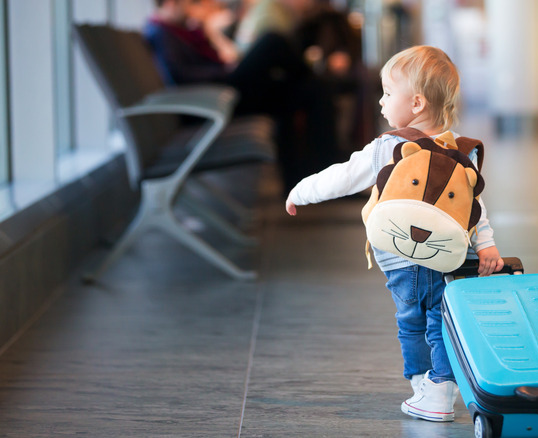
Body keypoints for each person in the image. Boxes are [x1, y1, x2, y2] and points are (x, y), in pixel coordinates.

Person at [284, 46, 504, 422]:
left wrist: (300, 190)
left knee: (412, 320)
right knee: (438, 319)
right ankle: (434, 386)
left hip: (401, 258)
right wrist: (486, 245)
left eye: (387, 93)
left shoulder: (390, 146)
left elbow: (342, 176)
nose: (382, 101)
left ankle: (431, 388)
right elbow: (472, 207)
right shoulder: (460, 150)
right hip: (446, 253)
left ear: (416, 103)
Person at [144, 0, 337, 192]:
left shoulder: (177, 31)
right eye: (184, 4)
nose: (188, 9)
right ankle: (310, 74)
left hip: (218, 93)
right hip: (214, 100)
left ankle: (310, 182)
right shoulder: (161, 32)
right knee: (272, 41)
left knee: (307, 91)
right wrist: (225, 72)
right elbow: (180, 77)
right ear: (169, 3)